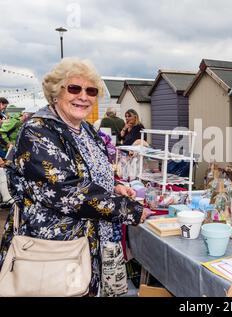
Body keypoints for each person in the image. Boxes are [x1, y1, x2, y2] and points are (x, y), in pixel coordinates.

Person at [0, 58, 150, 297]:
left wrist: (116, 187)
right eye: (74, 88)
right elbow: (69, 192)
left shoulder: (87, 130)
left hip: (90, 246)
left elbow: (93, 173)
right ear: (55, 92)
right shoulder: (38, 131)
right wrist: (128, 209)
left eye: (91, 91)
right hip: (52, 252)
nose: (83, 96)